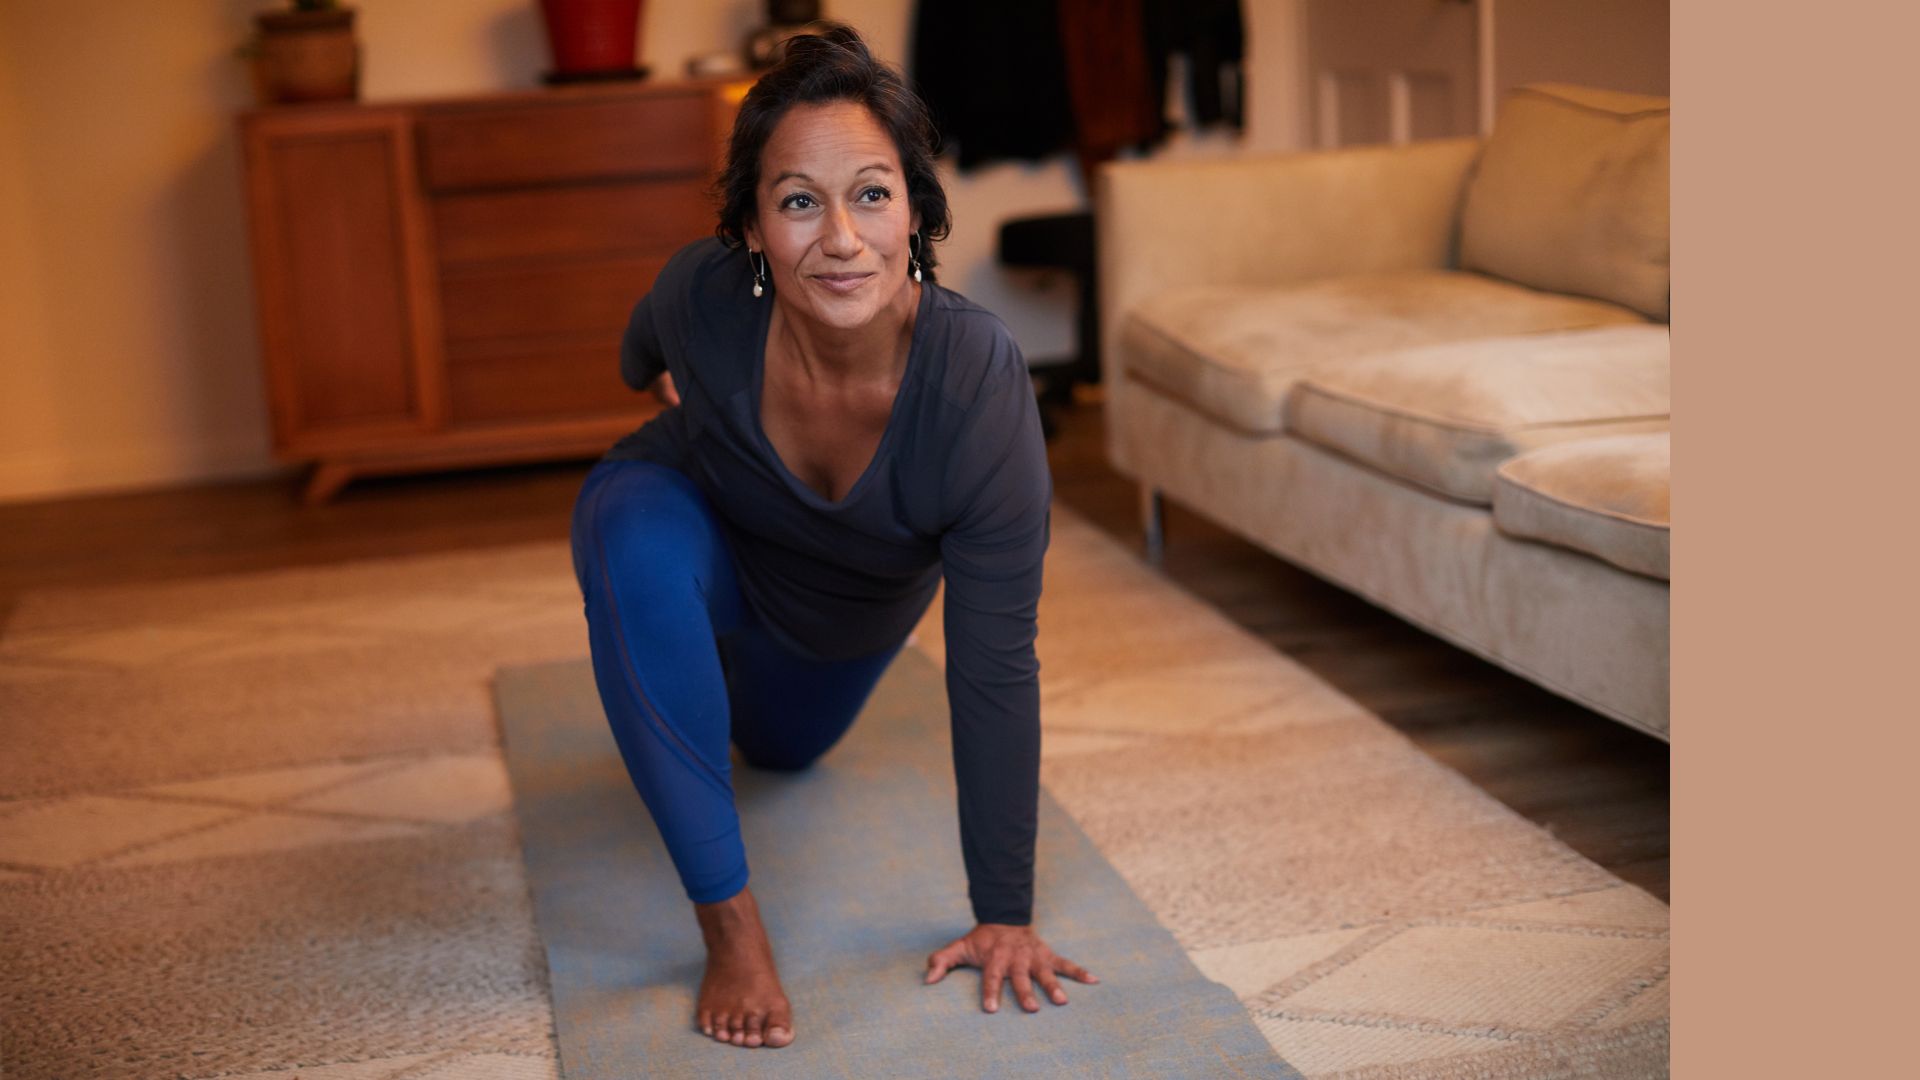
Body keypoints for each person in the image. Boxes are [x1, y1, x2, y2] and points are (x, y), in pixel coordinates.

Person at [568, 25, 1095, 1050]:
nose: (842, 239)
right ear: (752, 226)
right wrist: (669, 383)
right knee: (627, 526)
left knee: (779, 751)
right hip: (695, 536)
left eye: (872, 194)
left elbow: (994, 665)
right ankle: (731, 927)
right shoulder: (704, 292)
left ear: (916, 212)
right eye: (800, 201)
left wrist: (1005, 912)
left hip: (829, 633)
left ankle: (690, 689)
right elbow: (642, 346)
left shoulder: (976, 386)